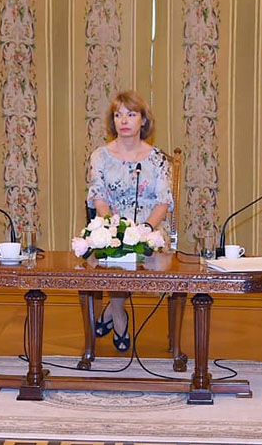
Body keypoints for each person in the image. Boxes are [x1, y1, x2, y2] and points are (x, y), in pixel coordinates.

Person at [87, 90, 174, 352]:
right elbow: (99, 198)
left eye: (131, 114)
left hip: (150, 229)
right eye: (118, 115)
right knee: (115, 251)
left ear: (143, 120)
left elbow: (163, 202)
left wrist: (145, 229)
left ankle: (110, 313)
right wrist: (113, 229)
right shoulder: (99, 156)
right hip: (111, 226)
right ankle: (119, 316)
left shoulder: (158, 159)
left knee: (138, 251)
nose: (123, 120)